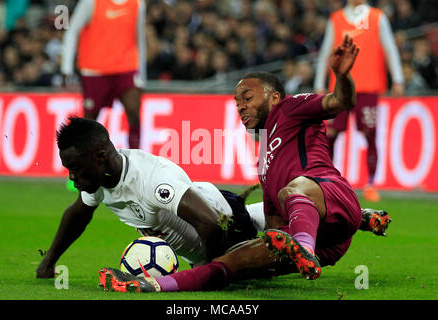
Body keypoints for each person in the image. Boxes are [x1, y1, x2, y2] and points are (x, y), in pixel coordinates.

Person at [97, 35, 392, 293]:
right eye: (237, 103)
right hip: (329, 244)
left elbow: (340, 102)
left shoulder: (290, 108)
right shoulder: (264, 159)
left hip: (332, 197)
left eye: (247, 98)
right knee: (228, 264)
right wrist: (253, 253)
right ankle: (150, 284)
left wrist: (343, 76)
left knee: (294, 190)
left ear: (274, 97)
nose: (241, 107)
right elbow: (276, 227)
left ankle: (312, 241)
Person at [35, 117, 267, 278]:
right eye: (68, 169)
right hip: (207, 241)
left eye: (75, 167)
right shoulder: (97, 180)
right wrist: (50, 258)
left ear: (101, 156)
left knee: (284, 258)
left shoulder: (152, 182)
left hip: (231, 228)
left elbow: (212, 224)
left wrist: (210, 270)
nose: (72, 177)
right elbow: (78, 214)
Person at [314, 0, 404, 202]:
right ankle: (326, 180)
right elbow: (325, 53)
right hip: (339, 88)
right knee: (332, 134)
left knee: (370, 133)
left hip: (368, 86)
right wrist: (319, 82)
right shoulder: (336, 19)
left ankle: (370, 184)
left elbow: (389, 48)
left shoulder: (377, 17)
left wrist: (397, 78)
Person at [61, 0, 146, 149]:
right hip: (95, 70)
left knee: (133, 110)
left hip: (126, 67)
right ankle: (85, 160)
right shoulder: (91, 2)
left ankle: (136, 157)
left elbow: (139, 38)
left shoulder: (137, 3)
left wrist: (142, 76)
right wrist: (66, 68)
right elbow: (72, 30)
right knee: (90, 121)